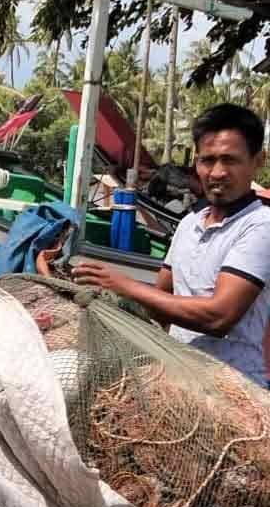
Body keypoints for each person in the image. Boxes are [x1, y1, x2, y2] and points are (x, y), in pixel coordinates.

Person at [74, 103, 270, 385]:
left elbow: (218, 317)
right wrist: (94, 294)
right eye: (207, 160)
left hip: (233, 385)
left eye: (230, 160)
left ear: (258, 161)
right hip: (177, 376)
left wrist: (124, 285)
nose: (216, 173)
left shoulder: (260, 225)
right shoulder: (191, 222)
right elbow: (160, 302)